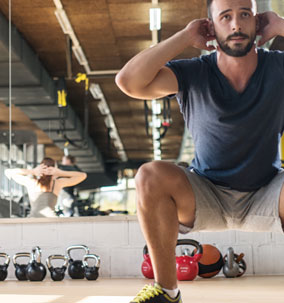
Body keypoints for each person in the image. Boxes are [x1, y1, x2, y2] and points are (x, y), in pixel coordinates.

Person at [115, 0, 284, 302]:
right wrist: (183, 37)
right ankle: (166, 292)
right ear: (211, 26)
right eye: (226, 17)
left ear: (257, 22)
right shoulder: (193, 73)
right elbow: (128, 82)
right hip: (206, 194)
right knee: (149, 175)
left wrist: (283, 25)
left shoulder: (278, 66)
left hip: (267, 193)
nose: (235, 25)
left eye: (244, 15)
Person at [4, 157, 87, 218]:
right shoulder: (57, 184)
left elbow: (8, 172)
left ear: (40, 168)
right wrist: (61, 172)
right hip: (51, 221)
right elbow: (83, 175)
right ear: (55, 169)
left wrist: (32, 171)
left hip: (32, 221)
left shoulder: (32, 183)